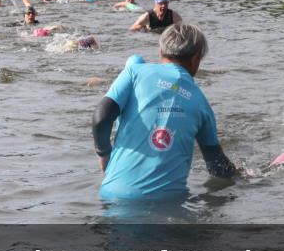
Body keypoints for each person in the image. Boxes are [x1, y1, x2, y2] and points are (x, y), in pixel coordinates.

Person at [93, 23, 243, 200]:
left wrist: (104, 154)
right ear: (196, 58)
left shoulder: (134, 72)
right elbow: (218, 167)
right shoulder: (201, 102)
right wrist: (247, 176)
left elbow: (101, 118)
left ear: (160, 50)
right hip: (169, 202)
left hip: (113, 195)